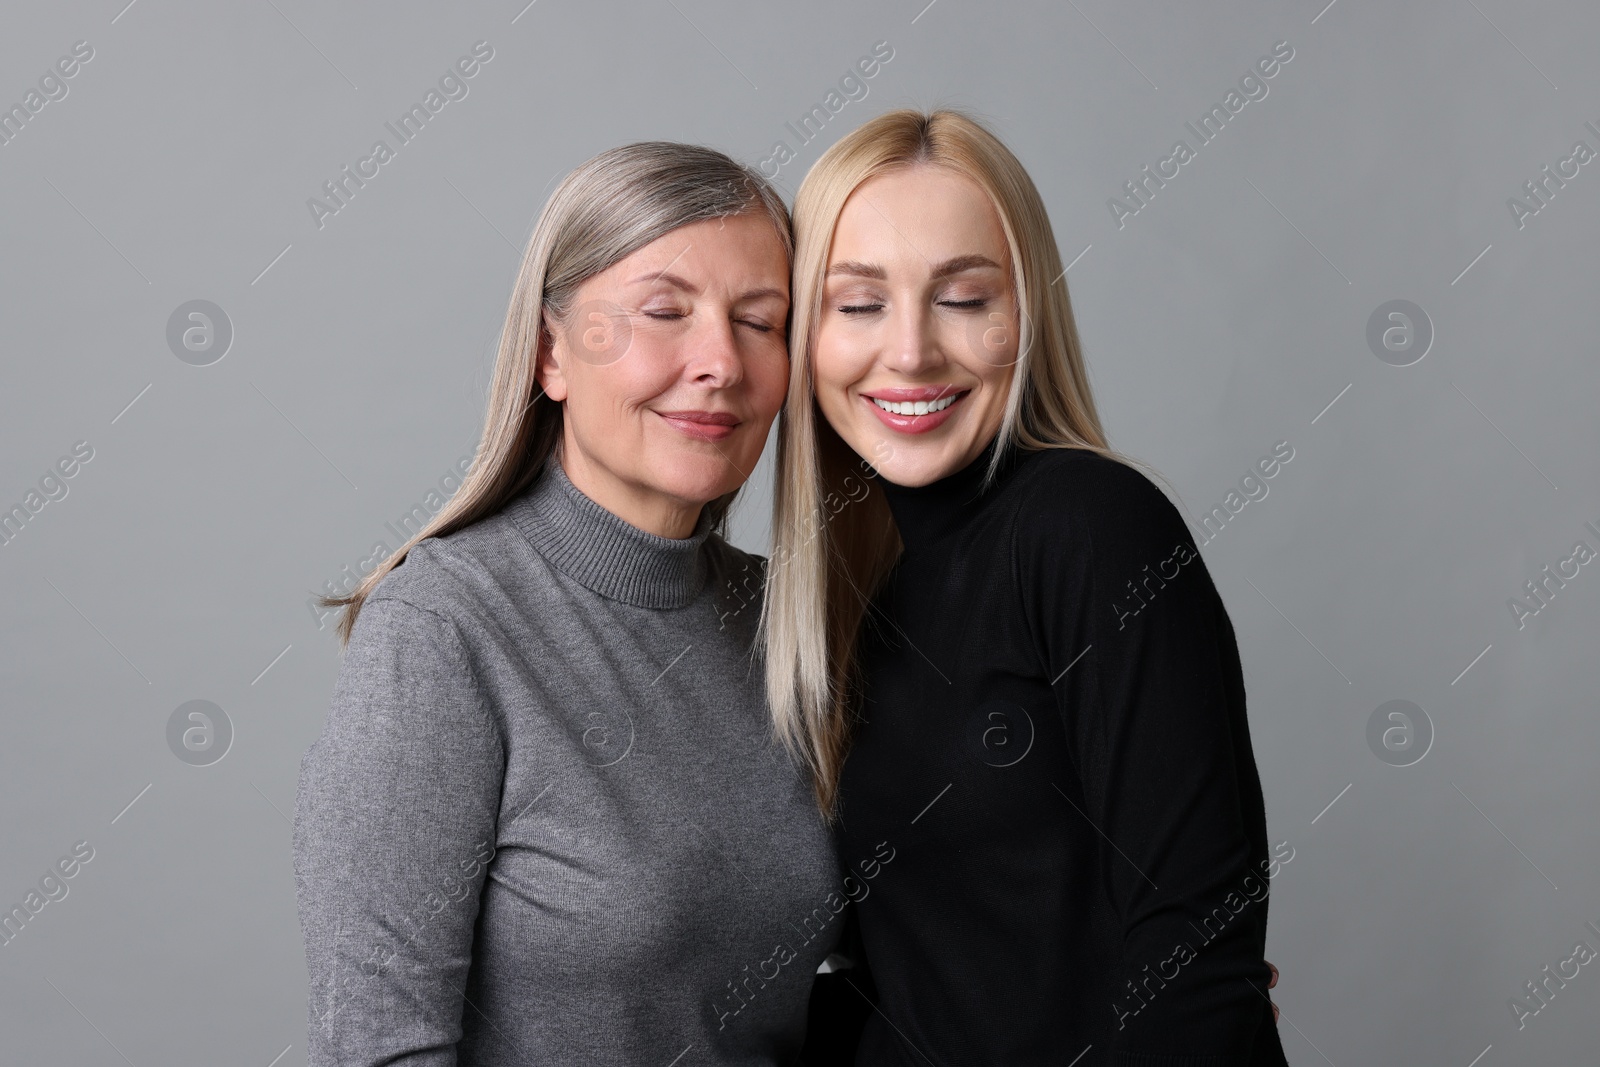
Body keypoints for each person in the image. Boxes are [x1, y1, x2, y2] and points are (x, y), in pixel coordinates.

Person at [292, 142, 850, 1065]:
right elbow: (377, 1045)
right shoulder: (443, 631)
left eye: (762, 321)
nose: (721, 361)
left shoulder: (784, 622)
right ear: (553, 353)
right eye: (665, 311)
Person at [761, 108, 1289, 1064]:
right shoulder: (853, 600)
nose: (912, 351)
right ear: (806, 333)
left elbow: (1198, 967)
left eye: (964, 298)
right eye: (859, 302)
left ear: (1026, 316)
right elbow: (925, 980)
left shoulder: (1088, 527)